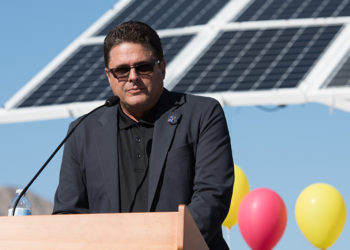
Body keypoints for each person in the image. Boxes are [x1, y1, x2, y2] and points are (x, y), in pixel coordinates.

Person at [53, 21, 234, 249]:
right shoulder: (82, 132)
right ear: (109, 76)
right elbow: (68, 214)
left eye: (143, 67)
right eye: (121, 70)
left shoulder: (202, 114)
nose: (132, 77)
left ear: (162, 68)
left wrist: (163, 243)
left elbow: (212, 197)